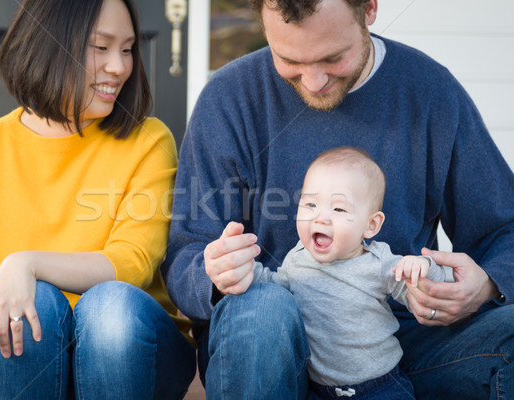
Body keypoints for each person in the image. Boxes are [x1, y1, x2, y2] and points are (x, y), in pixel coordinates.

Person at [161, 0, 514, 398]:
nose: (313, 81)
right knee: (261, 310)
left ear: (369, 9)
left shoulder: (430, 92)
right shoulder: (228, 98)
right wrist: (214, 275)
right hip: (268, 342)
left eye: (333, 58)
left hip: (399, 344)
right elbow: (186, 252)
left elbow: (504, 227)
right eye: (288, 59)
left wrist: (484, 285)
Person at [0, 0, 196, 399]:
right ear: (47, 45)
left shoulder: (149, 140)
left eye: (127, 49)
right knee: (27, 303)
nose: (119, 67)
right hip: (31, 359)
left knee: (108, 307)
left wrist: (27, 263)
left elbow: (133, 264)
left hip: (132, 354)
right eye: (101, 47)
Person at [250, 146, 453, 399]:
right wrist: (248, 272)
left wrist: (423, 268)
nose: (321, 218)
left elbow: (429, 291)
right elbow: (276, 286)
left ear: (371, 225)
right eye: (311, 204)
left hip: (381, 386)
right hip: (318, 390)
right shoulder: (297, 258)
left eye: (338, 209)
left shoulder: (378, 263)